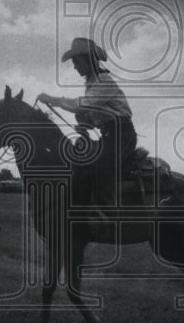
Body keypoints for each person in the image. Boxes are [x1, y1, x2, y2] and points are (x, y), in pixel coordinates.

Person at [37, 37, 137, 209]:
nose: (75, 66)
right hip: (110, 134)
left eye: (77, 62)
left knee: (99, 169)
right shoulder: (92, 83)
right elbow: (96, 113)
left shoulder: (103, 81)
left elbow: (84, 104)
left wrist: (54, 100)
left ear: (89, 60)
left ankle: (109, 215)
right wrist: (86, 123)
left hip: (122, 136)